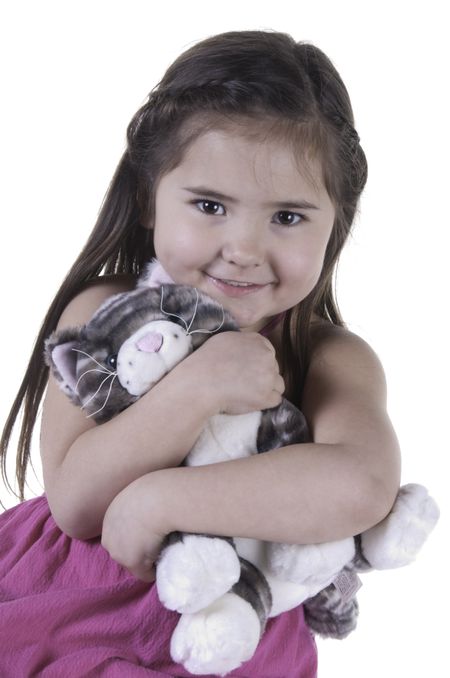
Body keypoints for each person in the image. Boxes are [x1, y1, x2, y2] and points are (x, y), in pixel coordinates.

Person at [0, 29, 401, 677]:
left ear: (337, 224)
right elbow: (75, 503)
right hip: (76, 611)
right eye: (210, 205)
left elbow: (361, 484)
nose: (243, 245)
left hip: (234, 634)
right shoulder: (105, 313)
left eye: (289, 217)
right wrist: (199, 388)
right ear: (147, 199)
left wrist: (158, 501)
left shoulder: (328, 356)